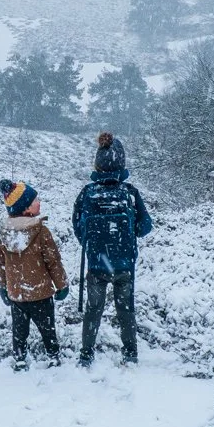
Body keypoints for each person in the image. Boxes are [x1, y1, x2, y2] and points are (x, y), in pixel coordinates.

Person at [72, 132, 153, 367]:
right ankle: (130, 354)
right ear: (122, 163)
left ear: (97, 164)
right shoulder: (130, 193)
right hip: (124, 264)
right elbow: (145, 226)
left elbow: (78, 226)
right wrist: (129, 232)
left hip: (97, 264)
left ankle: (86, 355)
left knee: (93, 309)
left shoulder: (88, 193)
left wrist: (91, 246)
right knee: (125, 310)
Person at [0, 179, 70, 371]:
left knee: (19, 330)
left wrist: (3, 287)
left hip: (17, 293)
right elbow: (53, 261)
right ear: (26, 208)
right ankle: (53, 356)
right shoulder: (41, 231)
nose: (39, 202)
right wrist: (62, 285)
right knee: (47, 328)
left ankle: (20, 359)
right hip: (40, 292)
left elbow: (0, 264)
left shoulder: (4, 233)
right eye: (35, 200)